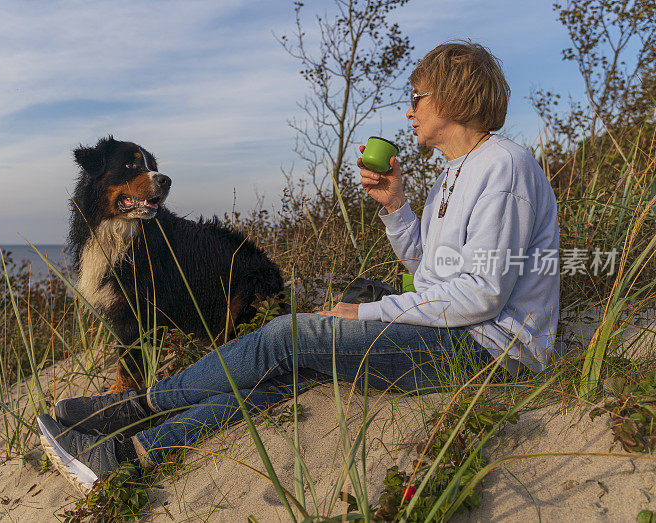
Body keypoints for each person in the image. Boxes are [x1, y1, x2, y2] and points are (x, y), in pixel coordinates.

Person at [37, 41, 560, 491]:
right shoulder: (454, 173)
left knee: (284, 337)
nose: (410, 111)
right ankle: (132, 454)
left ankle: (131, 410)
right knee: (284, 375)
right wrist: (397, 208)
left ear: (453, 96)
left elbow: (483, 294)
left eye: (417, 97)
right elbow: (433, 276)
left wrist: (369, 314)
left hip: (485, 351)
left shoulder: (503, 167)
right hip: (454, 335)